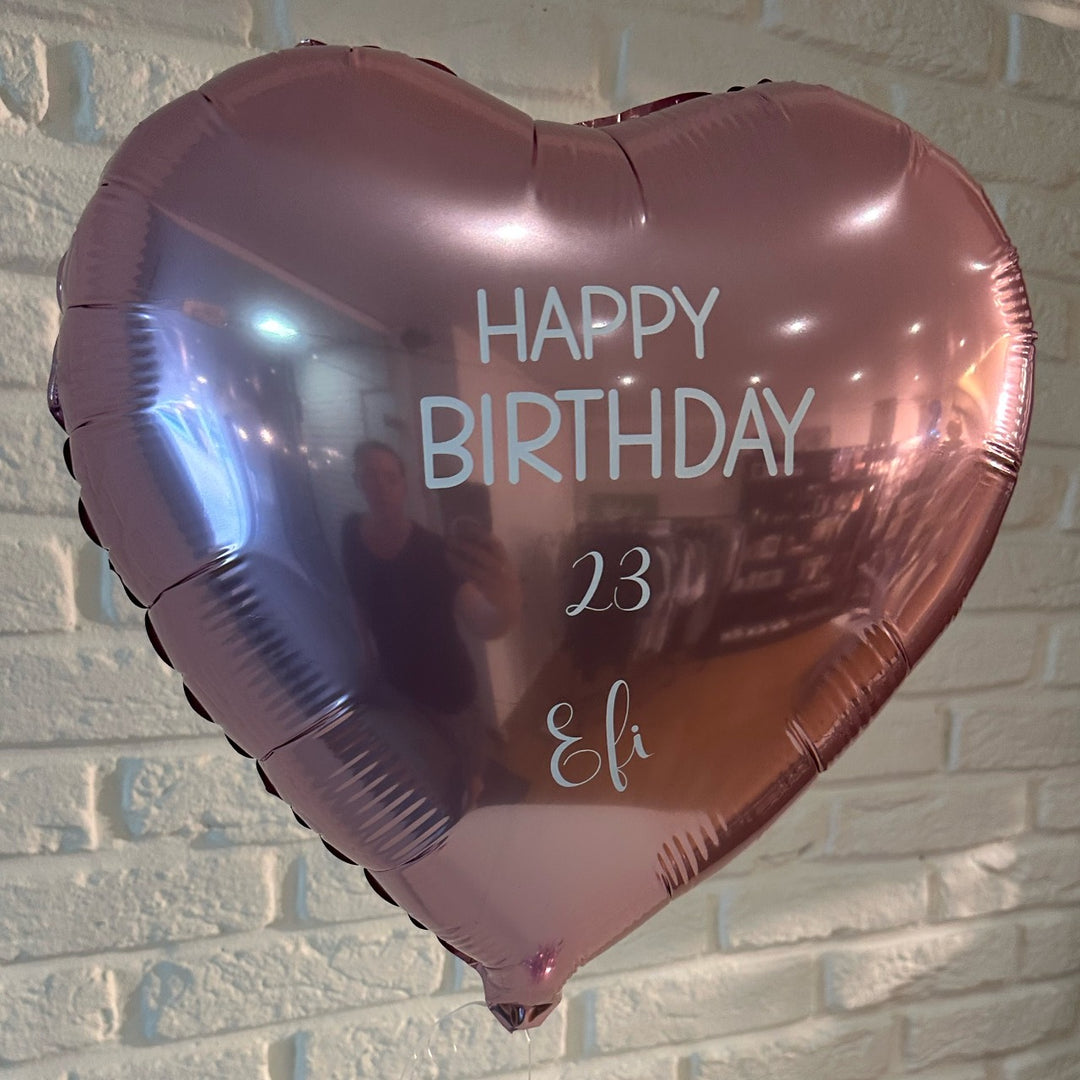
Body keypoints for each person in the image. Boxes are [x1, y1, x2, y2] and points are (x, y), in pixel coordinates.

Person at [341, 439, 521, 716]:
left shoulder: (435, 550)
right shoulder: (351, 532)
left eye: (390, 478)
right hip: (393, 681)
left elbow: (484, 623)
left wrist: (507, 601)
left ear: (404, 486)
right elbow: (358, 597)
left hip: (449, 690)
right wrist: (367, 656)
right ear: (357, 481)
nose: (381, 487)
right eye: (370, 476)